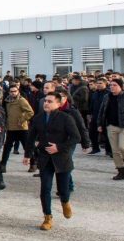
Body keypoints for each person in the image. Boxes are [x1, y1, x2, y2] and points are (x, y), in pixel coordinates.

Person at [23, 90, 81, 230]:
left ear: (58, 103)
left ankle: (65, 202)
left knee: (63, 189)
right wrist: (27, 154)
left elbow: (75, 137)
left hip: (62, 157)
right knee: (45, 189)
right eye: (45, 101)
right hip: (45, 157)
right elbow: (31, 137)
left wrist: (59, 147)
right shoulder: (38, 118)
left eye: (50, 101)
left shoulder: (65, 118)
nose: (46, 104)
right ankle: (47, 217)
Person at [97, 77, 124, 180]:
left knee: (123, 147)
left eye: (114, 85)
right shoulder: (107, 97)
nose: (112, 87)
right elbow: (102, 111)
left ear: (120, 86)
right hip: (111, 126)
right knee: (115, 150)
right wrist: (100, 124)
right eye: (111, 85)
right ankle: (121, 171)